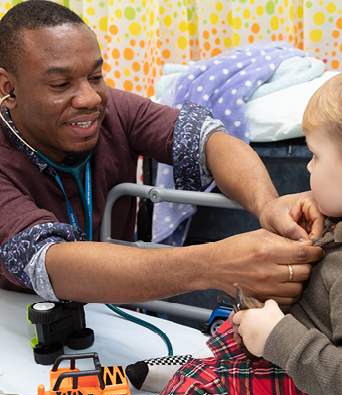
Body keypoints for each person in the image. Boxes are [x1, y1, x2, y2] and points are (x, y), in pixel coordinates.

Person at [0, 0, 324, 306]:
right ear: (7, 89)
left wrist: (266, 204)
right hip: (16, 313)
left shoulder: (117, 110)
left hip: (109, 309)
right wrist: (214, 264)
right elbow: (50, 260)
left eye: (95, 77)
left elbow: (212, 142)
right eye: (60, 84)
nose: (89, 98)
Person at [134, 72, 342, 395]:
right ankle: (196, 366)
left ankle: (193, 378)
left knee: (199, 387)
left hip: (310, 378)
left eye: (315, 156)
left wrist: (277, 337)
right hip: (293, 345)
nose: (307, 168)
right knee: (227, 337)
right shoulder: (331, 221)